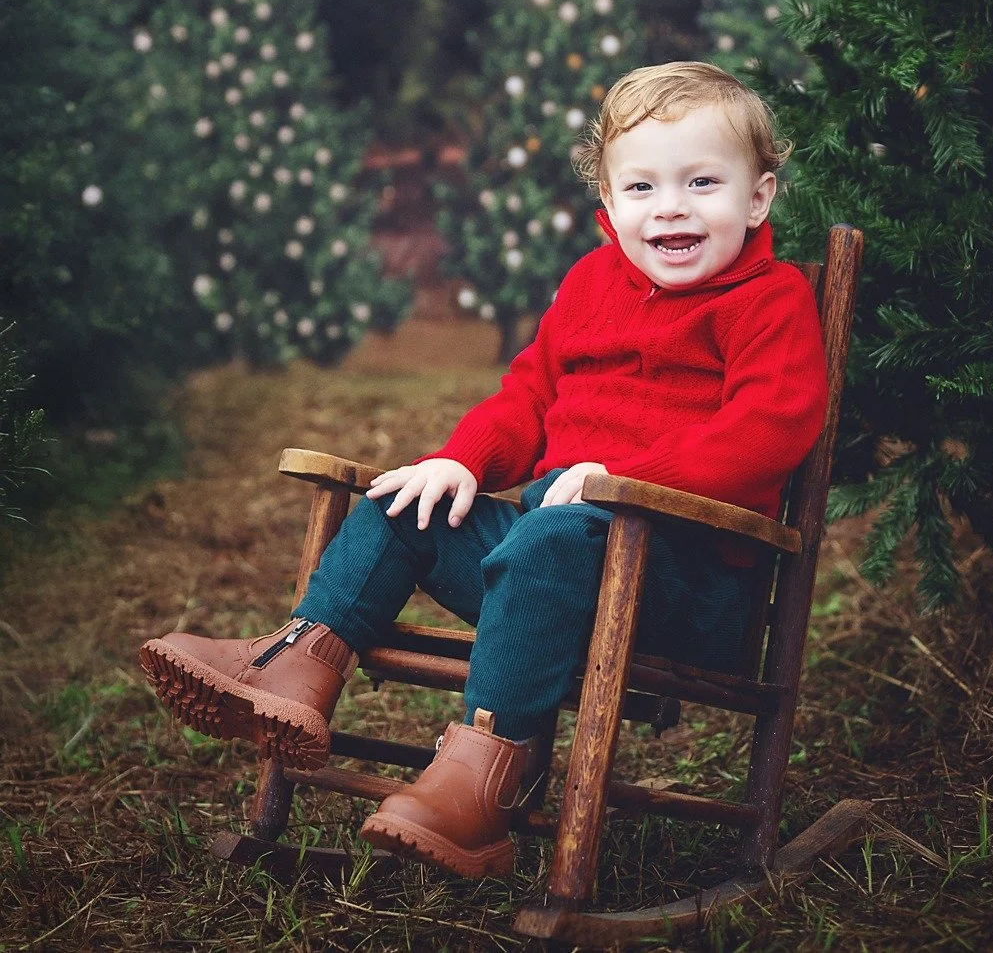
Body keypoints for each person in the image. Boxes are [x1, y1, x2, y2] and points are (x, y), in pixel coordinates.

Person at [141, 60, 828, 881]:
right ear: (608, 207)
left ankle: (480, 787)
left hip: (680, 581)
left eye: (702, 181)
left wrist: (624, 476)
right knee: (407, 499)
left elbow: (768, 428)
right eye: (641, 188)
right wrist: (458, 459)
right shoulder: (589, 282)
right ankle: (296, 666)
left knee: (552, 538)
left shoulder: (768, 298)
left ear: (757, 198)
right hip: (555, 547)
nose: (671, 206)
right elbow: (526, 396)